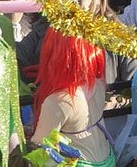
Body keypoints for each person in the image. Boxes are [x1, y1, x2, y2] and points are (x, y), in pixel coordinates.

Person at [17, 0, 136, 86]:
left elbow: (135, 84)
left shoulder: (119, 37)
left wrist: (113, 96)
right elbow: (15, 59)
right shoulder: (43, 30)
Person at [30, 29, 116, 167]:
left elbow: (39, 150)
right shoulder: (99, 84)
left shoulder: (58, 102)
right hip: (109, 159)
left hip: (80, 163)